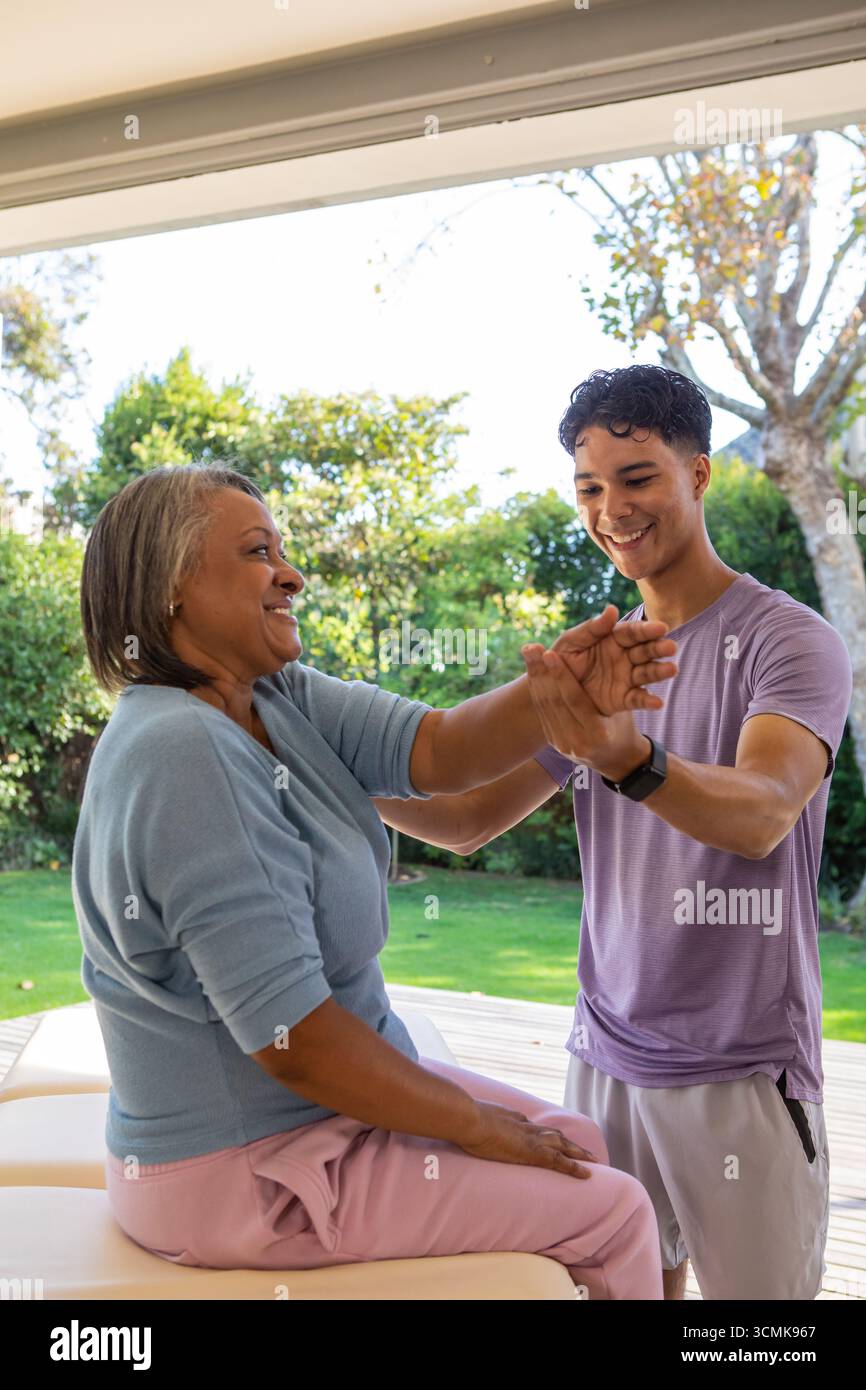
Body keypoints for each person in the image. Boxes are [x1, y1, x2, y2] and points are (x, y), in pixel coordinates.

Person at [73, 460, 678, 1299]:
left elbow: (439, 751)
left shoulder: (270, 697)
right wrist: (472, 1127)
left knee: (579, 1142)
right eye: (257, 552)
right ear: (172, 586)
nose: (292, 574)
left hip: (317, 1116)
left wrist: (561, 692)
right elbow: (296, 1043)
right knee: (613, 1213)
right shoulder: (183, 751)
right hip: (243, 1169)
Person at [378, 365, 853, 1301]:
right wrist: (318, 754)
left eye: (637, 479)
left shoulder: (788, 642)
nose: (612, 510)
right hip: (604, 1053)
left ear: (701, 475)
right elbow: (468, 816)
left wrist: (629, 757)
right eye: (589, 489)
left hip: (740, 1067)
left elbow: (762, 811)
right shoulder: (598, 657)